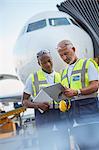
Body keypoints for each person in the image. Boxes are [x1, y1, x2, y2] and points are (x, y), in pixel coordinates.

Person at [22, 50, 69, 150]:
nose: (48, 64)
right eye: (44, 63)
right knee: (47, 146)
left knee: (65, 145)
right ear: (39, 63)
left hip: (60, 114)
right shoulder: (32, 78)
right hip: (43, 116)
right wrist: (38, 105)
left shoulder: (60, 75)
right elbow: (24, 101)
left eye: (49, 61)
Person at [57, 40, 99, 149]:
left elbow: (95, 86)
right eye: (61, 55)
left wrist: (77, 92)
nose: (64, 58)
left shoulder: (87, 64)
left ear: (74, 49)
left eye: (66, 53)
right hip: (73, 117)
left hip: (89, 115)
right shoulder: (63, 72)